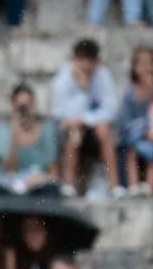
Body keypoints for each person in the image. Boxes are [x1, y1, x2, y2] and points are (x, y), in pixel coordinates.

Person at [52, 38, 123, 197]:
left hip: (94, 129)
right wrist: (83, 88)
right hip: (68, 130)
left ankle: (114, 185)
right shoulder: (63, 78)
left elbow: (111, 110)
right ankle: (68, 184)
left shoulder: (103, 75)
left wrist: (85, 118)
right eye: (81, 60)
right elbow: (62, 114)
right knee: (75, 130)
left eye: (90, 61)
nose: (86, 65)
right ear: (74, 60)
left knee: (103, 129)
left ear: (97, 62)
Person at [117, 45, 153, 194]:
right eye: (141, 64)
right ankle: (133, 186)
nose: (146, 68)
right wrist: (142, 130)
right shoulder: (130, 93)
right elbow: (125, 122)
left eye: (150, 64)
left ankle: (149, 187)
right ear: (134, 68)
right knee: (131, 149)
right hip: (134, 136)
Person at [0, 84, 60, 195]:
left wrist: (38, 179)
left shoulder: (47, 130)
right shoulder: (4, 131)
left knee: (51, 190)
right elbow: (9, 170)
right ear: (13, 106)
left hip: (37, 183)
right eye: (21, 107)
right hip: (11, 184)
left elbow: (53, 171)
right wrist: (15, 135)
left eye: (28, 105)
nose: (25, 111)